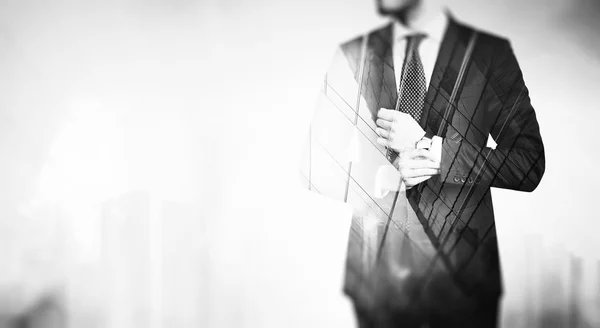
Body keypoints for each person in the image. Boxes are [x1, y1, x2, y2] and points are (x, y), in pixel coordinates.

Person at [299, 0, 545, 327]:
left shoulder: (488, 54)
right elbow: (314, 164)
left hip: (464, 279)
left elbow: (527, 163)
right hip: (377, 278)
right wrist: (382, 177)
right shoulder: (354, 53)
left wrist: (432, 151)